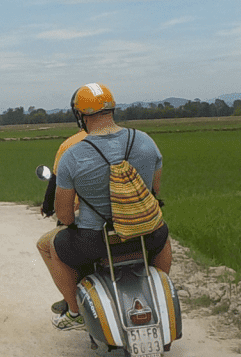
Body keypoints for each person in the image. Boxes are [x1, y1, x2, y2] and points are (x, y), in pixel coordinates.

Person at [45, 83, 172, 330]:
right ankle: (159, 297)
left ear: (81, 115)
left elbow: (65, 217)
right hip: (146, 236)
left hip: (96, 242)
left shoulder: (73, 155)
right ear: (112, 109)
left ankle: (74, 312)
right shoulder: (145, 140)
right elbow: (155, 191)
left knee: (53, 246)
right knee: (163, 235)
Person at [36, 125, 88, 312]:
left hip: (83, 219)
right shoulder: (128, 140)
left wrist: (48, 207)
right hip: (125, 217)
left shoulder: (70, 145)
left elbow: (56, 182)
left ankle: (73, 306)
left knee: (48, 245)